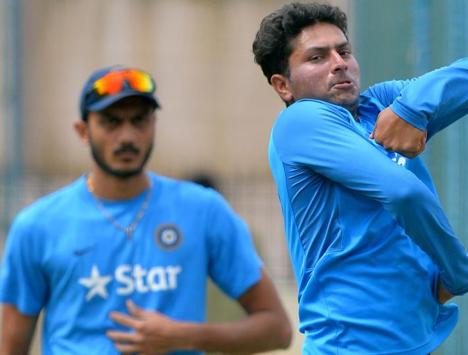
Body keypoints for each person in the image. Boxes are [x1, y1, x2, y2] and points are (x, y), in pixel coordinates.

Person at [252, 2, 468, 354]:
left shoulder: (379, 106)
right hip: (349, 346)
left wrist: (409, 110)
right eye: (317, 58)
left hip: (412, 341)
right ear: (283, 86)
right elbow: (404, 193)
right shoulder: (300, 122)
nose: (339, 63)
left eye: (344, 51)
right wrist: (459, 272)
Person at [0, 66, 292, 354]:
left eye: (139, 121)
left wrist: (184, 336)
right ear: (83, 131)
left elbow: (277, 329)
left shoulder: (202, 210)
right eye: (111, 122)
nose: (127, 136)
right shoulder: (38, 226)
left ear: (154, 125)